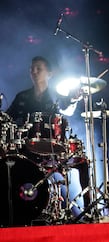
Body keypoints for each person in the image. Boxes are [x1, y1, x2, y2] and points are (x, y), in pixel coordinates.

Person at [4, 55, 86, 224]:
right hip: (27, 149)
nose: (33, 71)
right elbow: (8, 119)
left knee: (79, 167)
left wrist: (73, 99)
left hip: (53, 148)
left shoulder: (57, 95)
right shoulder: (22, 97)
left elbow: (67, 108)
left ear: (49, 73)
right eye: (31, 69)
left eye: (38, 68)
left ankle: (79, 215)